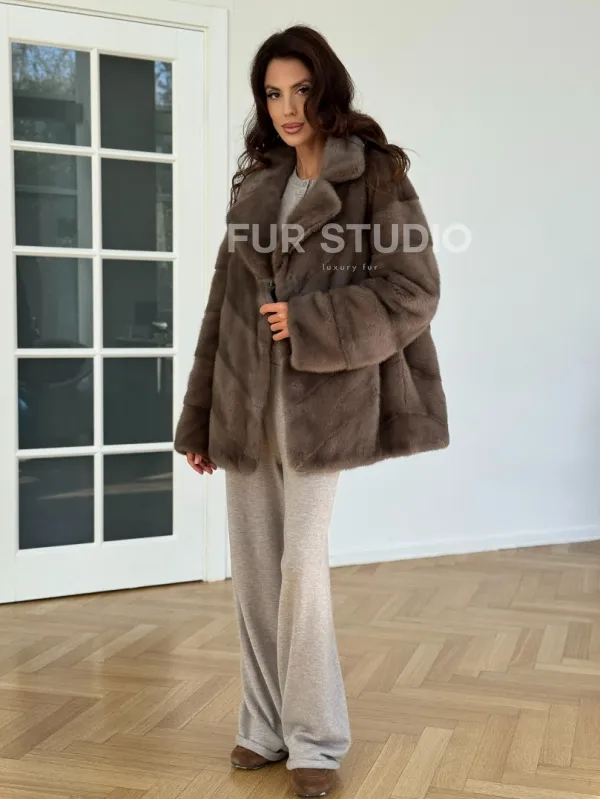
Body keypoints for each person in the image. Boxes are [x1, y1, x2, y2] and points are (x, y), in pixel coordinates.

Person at [174, 23, 449, 798]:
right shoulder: (258, 181)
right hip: (244, 403)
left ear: (326, 89)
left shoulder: (374, 175)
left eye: (300, 90)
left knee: (300, 568)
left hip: (324, 403)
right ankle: (264, 726)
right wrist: (201, 418)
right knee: (255, 573)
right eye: (272, 93)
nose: (287, 107)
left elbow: (414, 289)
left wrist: (310, 322)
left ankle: (317, 740)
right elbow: (222, 307)